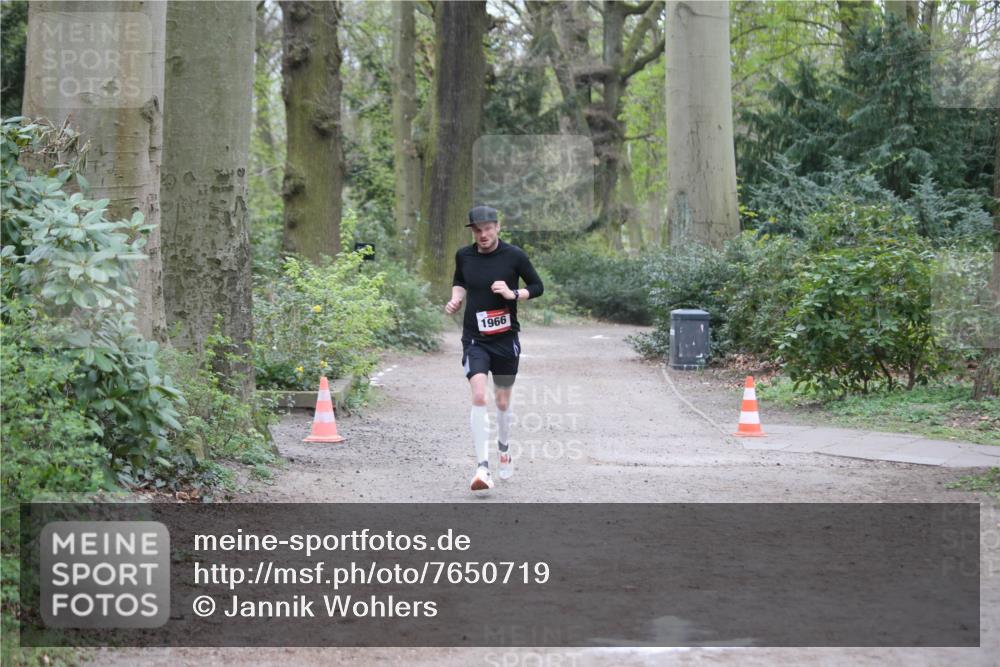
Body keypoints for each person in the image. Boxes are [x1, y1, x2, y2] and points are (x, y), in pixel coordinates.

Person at [445, 205, 544, 491]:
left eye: (488, 228)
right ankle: (482, 467)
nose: (483, 234)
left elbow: (537, 286)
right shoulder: (464, 255)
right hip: (475, 339)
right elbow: (460, 281)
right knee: (478, 395)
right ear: (472, 232)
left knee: (501, 402)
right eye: (478, 230)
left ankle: (503, 449)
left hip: (505, 339)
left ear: (497, 227)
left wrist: (514, 294)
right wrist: (455, 299)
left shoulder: (514, 256)